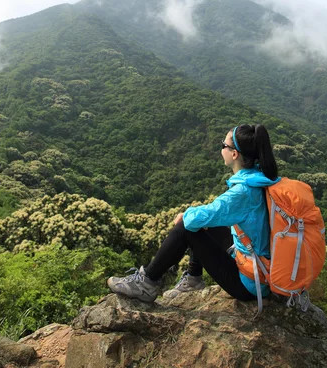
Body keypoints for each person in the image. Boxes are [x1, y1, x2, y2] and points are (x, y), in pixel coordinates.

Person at [107, 124, 280, 303]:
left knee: (187, 227)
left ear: (234, 154)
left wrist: (187, 216)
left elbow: (195, 220)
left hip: (250, 285)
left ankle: (147, 282)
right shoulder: (260, 179)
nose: (222, 149)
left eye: (224, 145)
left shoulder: (243, 192)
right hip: (260, 267)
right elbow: (213, 214)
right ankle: (193, 278)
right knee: (204, 221)